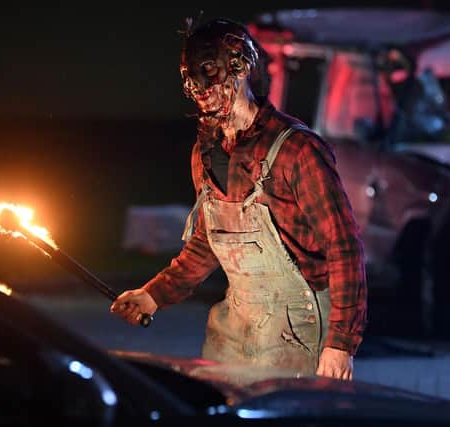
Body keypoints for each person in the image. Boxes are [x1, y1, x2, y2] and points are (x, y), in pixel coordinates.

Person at [111, 18, 367, 381]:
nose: (198, 86)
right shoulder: (205, 153)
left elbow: (344, 247)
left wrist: (340, 345)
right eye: (189, 75)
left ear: (241, 67)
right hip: (237, 327)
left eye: (208, 70)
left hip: (300, 329)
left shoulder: (297, 150)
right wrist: (154, 295)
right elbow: (208, 243)